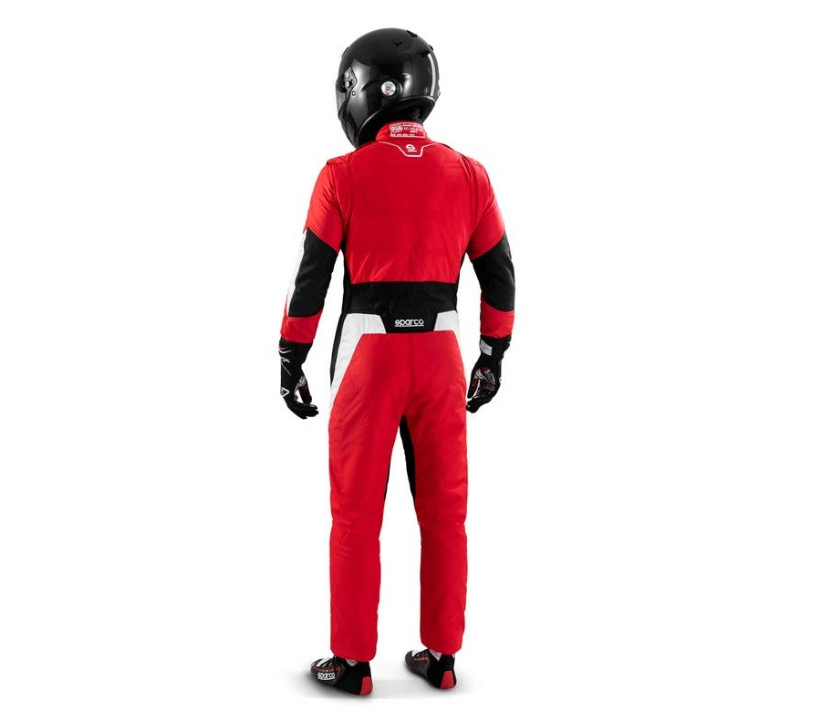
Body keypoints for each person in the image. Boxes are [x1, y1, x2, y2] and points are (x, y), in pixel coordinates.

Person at [278, 28, 515, 695]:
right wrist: (492, 355)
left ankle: (353, 664)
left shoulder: (342, 174)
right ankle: (441, 657)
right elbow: (500, 276)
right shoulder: (470, 174)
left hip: (367, 356)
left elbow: (311, 280)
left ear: (361, 93)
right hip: (440, 351)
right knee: (445, 511)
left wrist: (291, 356)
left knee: (356, 514)